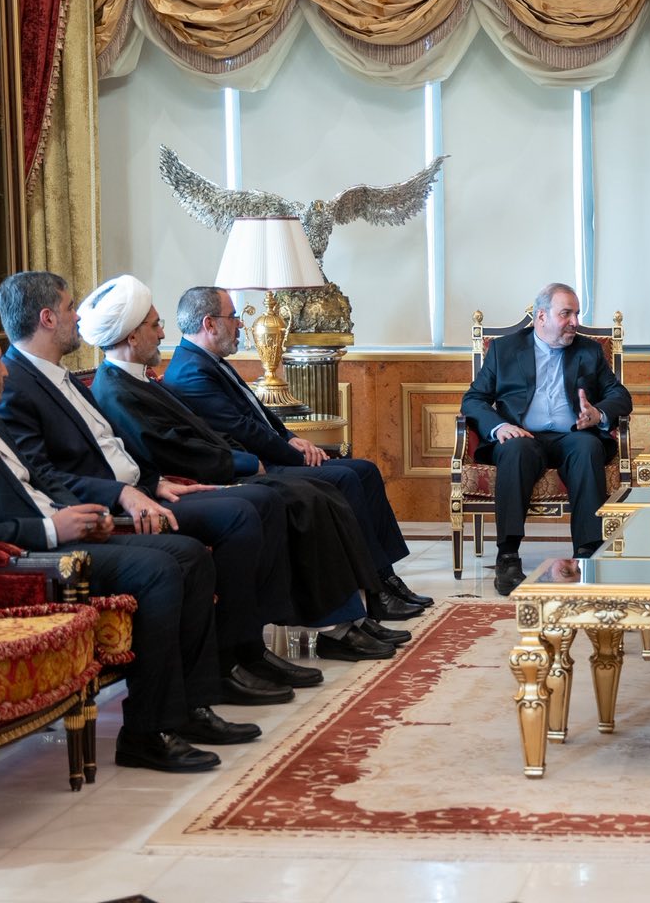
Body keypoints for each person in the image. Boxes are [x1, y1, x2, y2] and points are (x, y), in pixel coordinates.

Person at [0, 313, 254, 774]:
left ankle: (191, 709)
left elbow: (40, 480)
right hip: (24, 562)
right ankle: (146, 733)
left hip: (61, 540)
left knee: (188, 553)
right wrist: (53, 530)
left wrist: (90, 517)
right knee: (161, 570)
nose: (6, 371)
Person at [0, 271, 315, 698]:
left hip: (143, 492)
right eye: (70, 308)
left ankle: (248, 648)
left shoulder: (59, 376)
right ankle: (231, 659)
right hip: (110, 509)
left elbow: (113, 449)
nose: (78, 317)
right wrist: (123, 494)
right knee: (242, 511)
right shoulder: (16, 385)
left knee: (261, 500)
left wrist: (154, 482)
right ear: (48, 318)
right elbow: (42, 474)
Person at [79, 276, 416, 661]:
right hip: (201, 479)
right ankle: (333, 627)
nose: (162, 333)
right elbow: (172, 449)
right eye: (155, 325)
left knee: (320, 492)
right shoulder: (116, 388)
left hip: (220, 466)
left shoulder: (139, 379)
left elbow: (202, 433)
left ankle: (350, 617)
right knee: (310, 496)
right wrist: (242, 462)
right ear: (132, 336)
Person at [162, 286, 432, 615]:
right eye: (233, 317)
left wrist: (291, 437)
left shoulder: (208, 361)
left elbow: (259, 415)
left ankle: (385, 578)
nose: (240, 324)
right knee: (346, 478)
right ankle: (375, 591)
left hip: (269, 455)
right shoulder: (190, 371)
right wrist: (296, 454)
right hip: (255, 467)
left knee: (365, 470)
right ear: (209, 323)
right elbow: (243, 430)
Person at [459, 282, 633, 596]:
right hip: (523, 436)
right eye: (566, 313)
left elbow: (620, 396)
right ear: (542, 316)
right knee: (515, 449)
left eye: (577, 314)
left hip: (572, 435)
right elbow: (473, 399)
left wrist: (598, 414)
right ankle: (508, 556)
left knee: (588, 447)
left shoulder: (588, 350)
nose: (575, 322)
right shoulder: (504, 349)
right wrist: (499, 427)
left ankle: (587, 554)